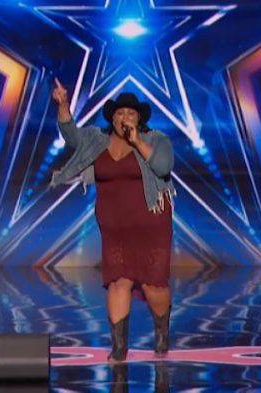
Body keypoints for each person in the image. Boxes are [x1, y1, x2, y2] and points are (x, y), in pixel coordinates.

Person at [50, 79, 176, 362]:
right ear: (112, 117)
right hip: (114, 228)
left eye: (131, 113)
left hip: (151, 225)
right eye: (120, 113)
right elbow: (71, 136)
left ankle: (161, 335)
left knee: (153, 284)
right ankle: (119, 347)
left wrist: (137, 142)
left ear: (139, 118)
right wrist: (63, 105)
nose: (125, 117)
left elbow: (163, 166)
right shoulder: (97, 139)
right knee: (117, 281)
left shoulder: (156, 139)